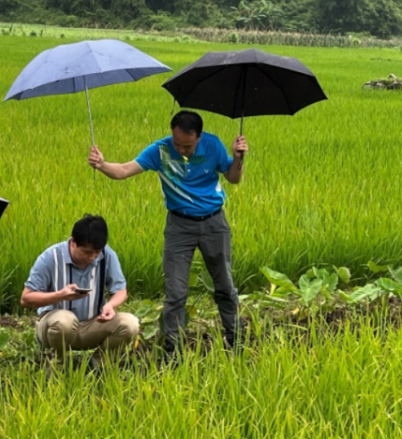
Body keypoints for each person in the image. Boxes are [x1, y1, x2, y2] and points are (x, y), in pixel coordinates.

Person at [88, 110, 249, 357]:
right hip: (179, 227)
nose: (182, 150)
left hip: (214, 224)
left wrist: (238, 158)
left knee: (225, 285)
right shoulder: (161, 150)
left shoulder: (213, 145)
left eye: (188, 146)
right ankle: (173, 350)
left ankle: (235, 340)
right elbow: (123, 170)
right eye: (177, 144)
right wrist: (101, 164)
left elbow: (234, 178)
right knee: (175, 292)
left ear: (199, 137)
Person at [21, 215, 139, 366]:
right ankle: (58, 363)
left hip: (93, 323)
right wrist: (60, 295)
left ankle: (99, 363)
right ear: (73, 243)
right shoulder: (51, 257)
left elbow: (121, 290)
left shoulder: (107, 255)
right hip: (55, 327)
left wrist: (110, 305)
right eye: (86, 252)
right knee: (64, 321)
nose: (92, 257)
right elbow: (26, 299)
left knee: (130, 323)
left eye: (97, 252)